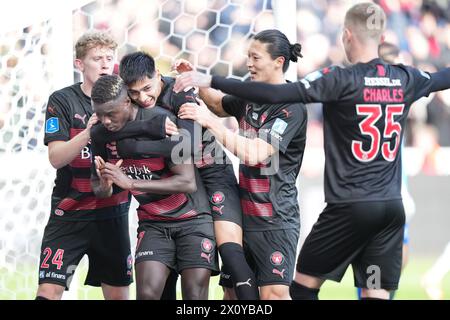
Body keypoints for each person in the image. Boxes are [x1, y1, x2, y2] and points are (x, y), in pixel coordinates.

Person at [174, 2, 450, 300]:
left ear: (346, 35)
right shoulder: (403, 77)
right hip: (390, 208)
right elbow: (441, 78)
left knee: (299, 289)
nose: (249, 64)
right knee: (375, 292)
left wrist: (212, 82)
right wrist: (203, 85)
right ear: (382, 38)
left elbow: (278, 96)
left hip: (343, 207)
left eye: (255, 57)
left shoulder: (338, 79)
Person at [116, 52, 259, 299]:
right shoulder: (132, 102)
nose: (143, 97)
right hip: (175, 180)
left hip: (211, 174)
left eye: (147, 88)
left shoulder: (180, 93)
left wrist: (136, 146)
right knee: (164, 277)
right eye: (134, 92)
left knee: (231, 254)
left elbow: (188, 148)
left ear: (158, 75)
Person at [177, 29, 307, 300]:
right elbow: (216, 104)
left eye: (255, 57)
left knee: (273, 295)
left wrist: (211, 123)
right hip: (242, 215)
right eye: (248, 56)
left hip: (274, 219)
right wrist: (197, 80)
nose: (249, 63)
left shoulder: (290, 106)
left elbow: (254, 153)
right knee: (232, 293)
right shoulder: (250, 95)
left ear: (278, 62)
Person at [90, 74, 218, 300]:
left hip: (192, 219)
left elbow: (186, 181)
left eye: (110, 114)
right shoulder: (102, 135)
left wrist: (130, 183)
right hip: (154, 223)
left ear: (127, 102)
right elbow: (100, 191)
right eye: (99, 115)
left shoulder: (161, 121)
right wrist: (105, 184)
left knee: (194, 297)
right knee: (147, 295)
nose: (105, 121)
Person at [36, 31, 132, 300]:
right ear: (80, 64)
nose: (104, 64)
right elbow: (56, 158)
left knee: (118, 296)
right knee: (48, 292)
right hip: (70, 214)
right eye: (96, 58)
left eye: (109, 58)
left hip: (112, 215)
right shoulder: (62, 100)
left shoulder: (126, 100)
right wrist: (89, 130)